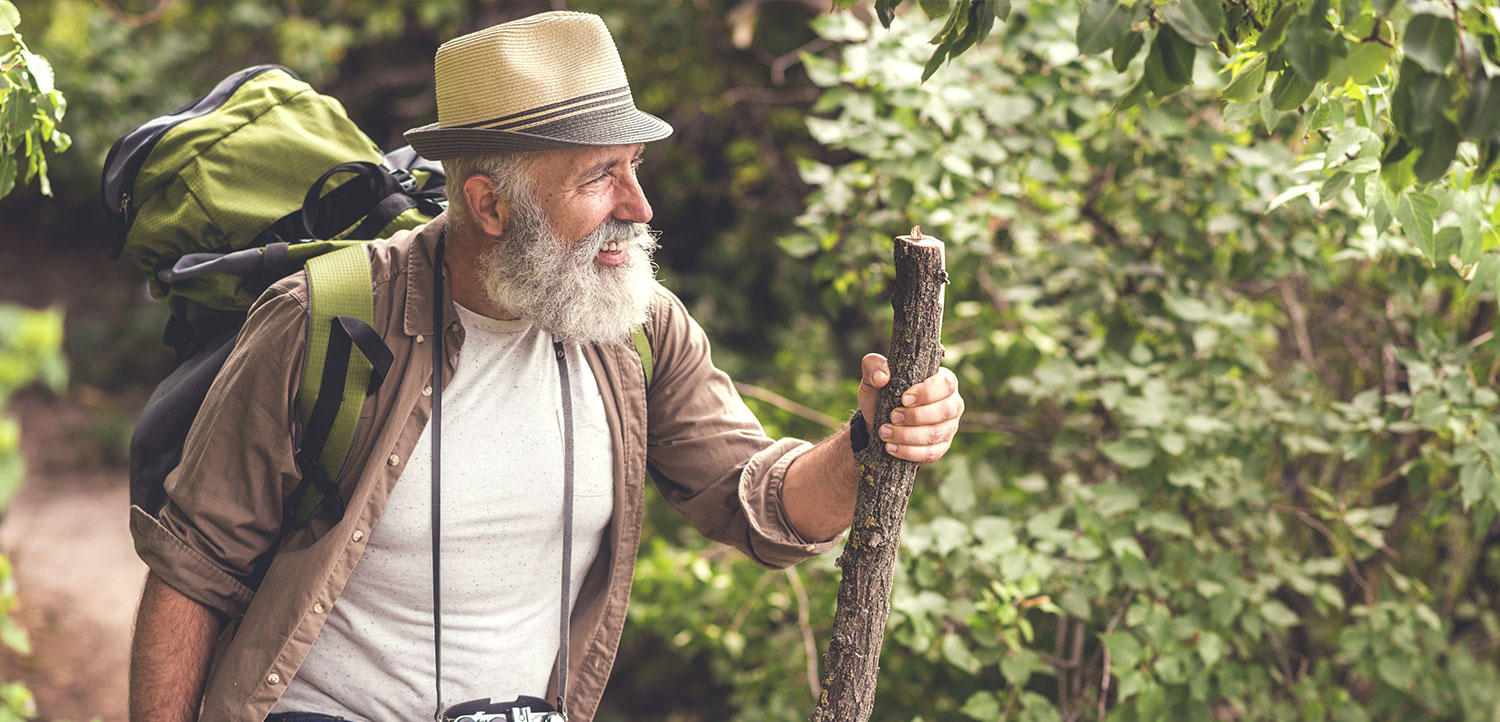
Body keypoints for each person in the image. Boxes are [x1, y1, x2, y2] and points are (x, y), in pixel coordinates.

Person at [128, 11, 964, 722]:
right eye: (601, 177)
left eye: (633, 169)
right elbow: (193, 570)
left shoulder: (634, 326)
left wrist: (868, 443)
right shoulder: (327, 318)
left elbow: (758, 502)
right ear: (490, 203)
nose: (638, 210)